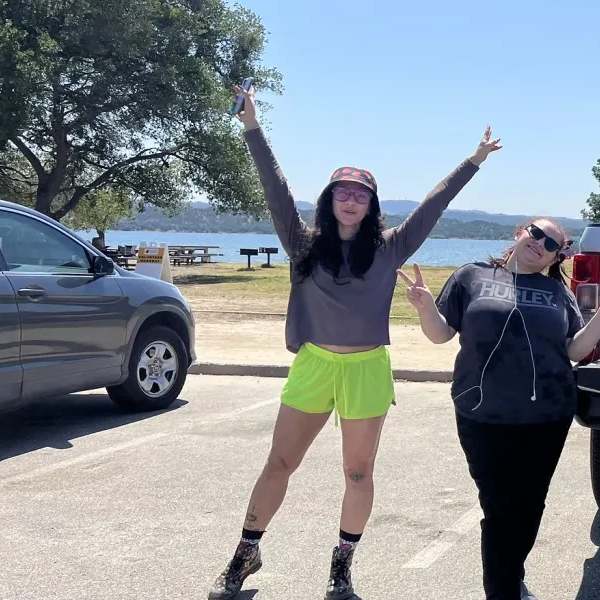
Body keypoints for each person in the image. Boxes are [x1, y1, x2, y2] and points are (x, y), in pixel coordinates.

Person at [207, 85, 501, 600]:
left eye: (361, 193)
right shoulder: (302, 243)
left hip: (367, 367)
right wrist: (252, 126)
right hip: (315, 364)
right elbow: (274, 187)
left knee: (359, 472)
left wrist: (472, 160)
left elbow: (435, 204)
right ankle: (246, 551)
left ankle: (341, 566)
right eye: (342, 191)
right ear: (329, 200)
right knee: (279, 463)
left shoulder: (391, 248)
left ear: (371, 205)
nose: (350, 198)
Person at [401, 218, 600, 600]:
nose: (540, 244)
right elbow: (441, 333)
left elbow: (573, 350)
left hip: (548, 414)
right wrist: (426, 308)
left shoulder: (557, 291)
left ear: (557, 256)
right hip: (482, 413)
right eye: (536, 234)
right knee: (499, 505)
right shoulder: (471, 276)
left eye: (552, 245)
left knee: (529, 504)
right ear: (519, 233)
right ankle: (503, 589)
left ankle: (511, 574)